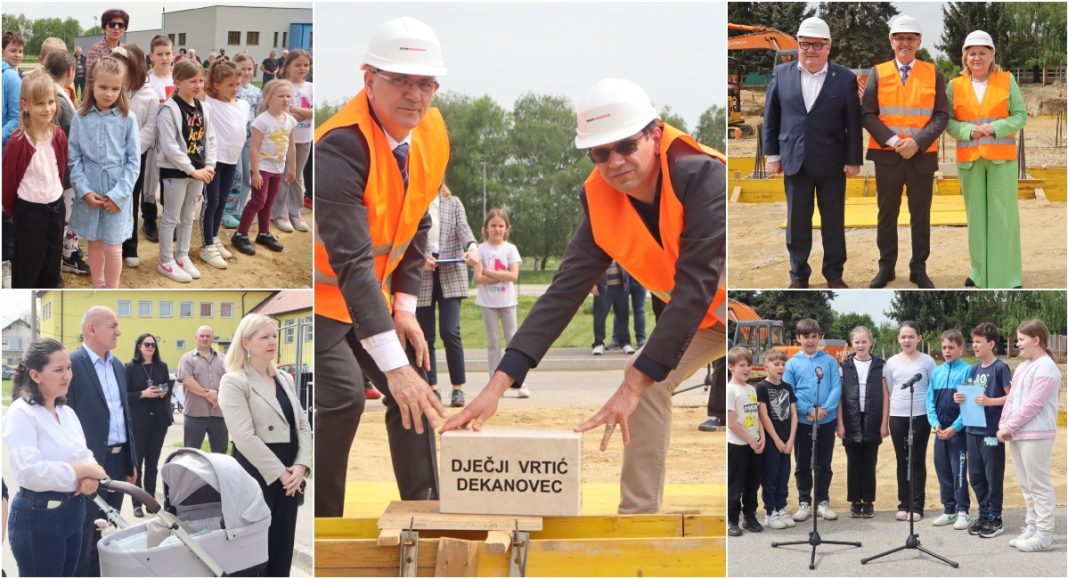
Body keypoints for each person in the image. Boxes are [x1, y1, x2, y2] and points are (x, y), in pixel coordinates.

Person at [444, 77, 727, 515]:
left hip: (745, 305)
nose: (614, 162)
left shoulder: (702, 174)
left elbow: (695, 285)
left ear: (654, 133)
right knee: (648, 379)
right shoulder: (600, 197)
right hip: (701, 317)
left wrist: (632, 382)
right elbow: (564, 292)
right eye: (600, 153)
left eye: (626, 146)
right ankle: (637, 517)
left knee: (640, 379)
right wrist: (497, 385)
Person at [315, 16, 450, 517]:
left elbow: (416, 220)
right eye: (400, 80)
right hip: (324, 302)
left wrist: (407, 304)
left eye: (426, 83)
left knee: (417, 389)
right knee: (344, 399)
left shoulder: (432, 132)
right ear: (368, 78)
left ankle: (426, 508)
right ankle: (324, 521)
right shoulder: (339, 147)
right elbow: (350, 263)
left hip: (371, 296)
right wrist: (395, 369)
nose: (414, 95)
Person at [763, 16, 861, 289]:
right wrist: (772, 156)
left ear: (828, 46)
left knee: (833, 222)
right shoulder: (782, 75)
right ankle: (798, 276)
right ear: (798, 45)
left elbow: (853, 122)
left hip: (832, 162)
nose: (811, 50)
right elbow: (771, 116)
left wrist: (853, 160)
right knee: (797, 224)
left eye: (817, 45)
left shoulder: (844, 79)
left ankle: (834, 274)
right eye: (805, 44)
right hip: (795, 161)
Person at [4, 338, 109, 577]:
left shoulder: (66, 412)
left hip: (73, 512)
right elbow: (31, 473)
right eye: (59, 370)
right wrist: (83, 471)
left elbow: (86, 455)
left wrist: (90, 477)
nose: (68, 375)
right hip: (39, 518)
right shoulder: (21, 413)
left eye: (69, 368)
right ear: (36, 375)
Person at [219, 314, 311, 576]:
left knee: (282, 546)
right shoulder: (235, 381)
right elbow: (243, 436)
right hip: (257, 472)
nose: (272, 341)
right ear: (246, 342)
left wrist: (301, 466)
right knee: (252, 552)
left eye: (274, 336)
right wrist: (282, 473)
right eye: (264, 337)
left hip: (291, 472)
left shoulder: (285, 378)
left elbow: (302, 425)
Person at [863, 15, 949, 289]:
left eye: (911, 38)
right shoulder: (878, 73)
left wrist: (916, 142)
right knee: (886, 214)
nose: (905, 43)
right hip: (888, 156)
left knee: (920, 214)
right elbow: (867, 114)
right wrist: (893, 141)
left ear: (919, 41)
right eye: (900, 38)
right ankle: (886, 267)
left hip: (921, 157)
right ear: (891, 41)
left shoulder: (933, 73)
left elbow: (941, 115)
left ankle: (918, 268)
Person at [945, 30, 1027, 289]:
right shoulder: (954, 85)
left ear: (992, 55)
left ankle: (1009, 277)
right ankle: (979, 274)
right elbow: (946, 120)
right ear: (964, 58)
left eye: (982, 52)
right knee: (976, 219)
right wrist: (967, 131)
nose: (977, 57)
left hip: (1001, 159)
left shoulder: (1006, 80)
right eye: (972, 53)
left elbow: (1020, 115)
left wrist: (995, 128)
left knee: (1004, 218)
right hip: (970, 159)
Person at [67, 306, 138, 577]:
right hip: (90, 462)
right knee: (84, 532)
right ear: (91, 329)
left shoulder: (118, 365)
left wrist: (131, 460)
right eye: (113, 326)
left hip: (118, 461)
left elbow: (125, 416)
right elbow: (65, 419)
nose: (119, 331)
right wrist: (79, 467)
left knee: (108, 530)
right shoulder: (73, 364)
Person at [68, 55, 140, 289]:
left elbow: (133, 161)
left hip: (117, 193)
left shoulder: (128, 119)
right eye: (103, 87)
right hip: (90, 193)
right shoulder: (80, 117)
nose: (109, 93)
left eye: (115, 88)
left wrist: (119, 195)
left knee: (113, 245)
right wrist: (84, 191)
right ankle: (97, 284)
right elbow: (75, 158)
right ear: (91, 85)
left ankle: (112, 288)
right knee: (95, 242)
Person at [998, 319, 1061, 552]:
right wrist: (1004, 424)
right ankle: (1033, 526)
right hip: (1018, 433)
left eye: (1021, 339)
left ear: (1036, 340)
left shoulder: (1047, 368)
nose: (1018, 343)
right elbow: (1013, 399)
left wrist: (1009, 426)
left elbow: (1033, 405)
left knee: (1039, 484)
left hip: (1036, 434)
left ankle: (1044, 535)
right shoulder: (1024, 366)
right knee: (1026, 485)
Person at [2, 73, 68, 289]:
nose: (47, 108)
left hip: (56, 209)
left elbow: (61, 168)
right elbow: (8, 183)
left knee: (51, 267)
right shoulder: (17, 142)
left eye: (50, 102)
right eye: (40, 103)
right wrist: (17, 214)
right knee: (27, 269)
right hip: (29, 214)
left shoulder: (59, 136)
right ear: (25, 105)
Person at [416, 182, 479, 407]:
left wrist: (472, 248)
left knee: (450, 331)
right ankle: (432, 387)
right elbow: (408, 237)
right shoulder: (414, 201)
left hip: (451, 272)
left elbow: (464, 230)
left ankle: (458, 388)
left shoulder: (453, 204)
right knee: (425, 336)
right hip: (422, 275)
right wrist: (419, 259)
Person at [156, 59, 216, 283]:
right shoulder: (168, 110)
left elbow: (210, 139)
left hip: (199, 172)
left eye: (201, 80)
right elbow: (170, 147)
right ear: (178, 82)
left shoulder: (205, 108)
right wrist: (192, 170)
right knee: (171, 218)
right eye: (193, 81)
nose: (199, 85)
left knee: (189, 216)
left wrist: (209, 165)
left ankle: (182, 255)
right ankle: (165, 260)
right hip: (176, 173)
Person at [955, 322, 1011, 538]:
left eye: (979, 342)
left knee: (992, 474)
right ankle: (984, 513)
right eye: (973, 342)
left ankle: (996, 516)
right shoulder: (973, 369)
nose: (975, 346)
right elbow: (970, 396)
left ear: (992, 343)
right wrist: (959, 397)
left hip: (990, 433)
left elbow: (1011, 397)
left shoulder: (1000, 368)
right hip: (972, 431)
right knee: (976, 475)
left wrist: (989, 401)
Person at [783, 317, 841, 522]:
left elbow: (836, 387)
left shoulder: (829, 361)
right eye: (806, 337)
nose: (810, 341)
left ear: (820, 337)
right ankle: (804, 502)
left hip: (826, 420)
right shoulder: (791, 364)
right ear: (798, 338)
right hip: (803, 421)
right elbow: (789, 391)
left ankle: (822, 501)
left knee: (824, 462)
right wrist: (808, 409)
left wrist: (824, 409)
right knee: (803, 463)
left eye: (814, 336)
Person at [231, 79, 296, 255]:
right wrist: (256, 172)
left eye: (288, 96)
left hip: (278, 167)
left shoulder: (290, 120)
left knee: (269, 202)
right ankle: (240, 234)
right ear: (268, 97)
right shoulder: (262, 121)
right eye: (280, 95)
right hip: (263, 166)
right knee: (258, 200)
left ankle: (264, 233)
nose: (285, 99)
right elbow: (253, 147)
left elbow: (291, 146)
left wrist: (292, 168)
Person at [473, 208, 529, 398]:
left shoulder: (510, 249)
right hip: (488, 302)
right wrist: (497, 275)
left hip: (507, 301)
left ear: (506, 228)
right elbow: (478, 278)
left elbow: (512, 275)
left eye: (501, 226)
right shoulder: (480, 249)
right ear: (486, 228)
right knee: (493, 342)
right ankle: (494, 384)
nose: (497, 229)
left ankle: (519, 382)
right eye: (493, 226)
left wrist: (489, 272)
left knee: (513, 341)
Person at [883, 320, 936, 521]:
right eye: (903, 337)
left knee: (917, 459)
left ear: (919, 338)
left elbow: (932, 388)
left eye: (911, 336)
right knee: (901, 460)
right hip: (898, 416)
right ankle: (903, 503)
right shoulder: (892, 362)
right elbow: (890, 388)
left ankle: (917, 505)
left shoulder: (927, 362)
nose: (907, 340)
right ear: (898, 339)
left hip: (920, 416)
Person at [114, 44, 159, 270]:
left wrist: (131, 152)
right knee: (113, 200)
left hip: (135, 159)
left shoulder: (150, 95)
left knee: (131, 200)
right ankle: (112, 244)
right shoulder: (115, 90)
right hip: (111, 158)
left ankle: (129, 246)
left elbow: (149, 130)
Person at [200, 60, 248, 269]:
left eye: (237, 84)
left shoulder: (243, 105)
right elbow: (197, 87)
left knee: (222, 201)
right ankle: (206, 245)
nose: (235, 89)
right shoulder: (208, 101)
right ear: (217, 84)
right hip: (213, 160)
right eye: (230, 84)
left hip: (232, 160)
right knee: (211, 201)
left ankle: (215, 236)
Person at [836, 325, 887, 519]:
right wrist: (840, 424)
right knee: (853, 463)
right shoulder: (845, 366)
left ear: (871, 343)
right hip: (851, 419)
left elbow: (885, 395)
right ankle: (855, 501)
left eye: (864, 341)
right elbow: (840, 397)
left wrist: (884, 423)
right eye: (857, 342)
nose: (860, 345)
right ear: (851, 344)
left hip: (873, 419)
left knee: (869, 462)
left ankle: (868, 500)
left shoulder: (880, 365)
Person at [926, 329, 974, 529]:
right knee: (943, 471)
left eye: (951, 347)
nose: (947, 351)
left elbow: (970, 404)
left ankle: (963, 511)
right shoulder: (937, 371)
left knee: (959, 471)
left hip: (958, 433)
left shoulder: (967, 370)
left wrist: (955, 427)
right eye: (944, 347)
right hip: (940, 432)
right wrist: (935, 424)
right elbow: (929, 401)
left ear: (960, 348)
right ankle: (949, 510)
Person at [124, 333, 172, 519]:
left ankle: (150, 501)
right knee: (137, 466)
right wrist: (143, 394)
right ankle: (137, 503)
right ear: (139, 346)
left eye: (153, 344)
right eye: (147, 344)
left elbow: (168, 387)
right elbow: (125, 396)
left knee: (152, 465)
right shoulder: (129, 368)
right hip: (138, 423)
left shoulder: (162, 366)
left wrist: (162, 392)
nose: (151, 347)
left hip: (158, 422)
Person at [271, 49, 313, 233]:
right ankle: (281, 213)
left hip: (305, 139)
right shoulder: (283, 86)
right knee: (285, 175)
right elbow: (284, 112)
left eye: (305, 65)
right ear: (288, 66)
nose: (302, 68)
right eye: (298, 65)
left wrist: (298, 111)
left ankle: (296, 212)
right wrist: (303, 113)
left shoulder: (312, 87)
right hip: (285, 138)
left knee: (298, 176)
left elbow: (313, 112)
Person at [756, 349, 797, 530]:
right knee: (770, 477)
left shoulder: (787, 387)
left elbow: (794, 415)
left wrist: (790, 440)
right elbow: (764, 416)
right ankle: (770, 511)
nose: (780, 367)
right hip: (773, 441)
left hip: (787, 441)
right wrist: (777, 440)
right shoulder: (761, 388)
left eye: (782, 364)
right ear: (766, 367)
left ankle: (781, 508)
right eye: (776, 364)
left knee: (784, 475)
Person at [142, 34, 176, 243]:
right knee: (150, 180)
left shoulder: (177, 79)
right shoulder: (147, 80)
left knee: (169, 180)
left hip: (172, 140)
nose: (164, 58)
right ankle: (148, 219)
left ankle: (168, 220)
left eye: (168, 53)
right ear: (151, 56)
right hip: (153, 140)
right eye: (160, 54)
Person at [725, 347, 763, 536]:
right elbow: (732, 423)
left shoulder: (751, 389)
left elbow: (756, 417)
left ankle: (750, 516)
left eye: (749, 365)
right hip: (737, 445)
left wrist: (760, 438)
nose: (747, 369)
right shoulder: (730, 391)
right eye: (741, 365)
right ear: (731, 367)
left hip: (754, 444)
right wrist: (750, 440)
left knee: (752, 483)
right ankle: (732, 519)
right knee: (735, 484)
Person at [221, 53, 261, 229]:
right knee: (235, 176)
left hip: (250, 138)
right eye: (242, 68)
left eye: (249, 68)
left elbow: (259, 114)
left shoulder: (256, 91)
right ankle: (226, 211)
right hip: (233, 138)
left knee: (246, 176)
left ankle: (238, 208)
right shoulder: (230, 91)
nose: (246, 72)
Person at [178, 326, 228, 453]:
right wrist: (210, 395)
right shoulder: (187, 358)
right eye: (202, 336)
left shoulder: (224, 359)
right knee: (191, 454)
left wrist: (218, 394)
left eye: (208, 336)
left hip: (219, 414)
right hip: (195, 415)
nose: (205, 338)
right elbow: (187, 381)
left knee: (220, 454)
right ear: (196, 338)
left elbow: (229, 382)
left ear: (213, 338)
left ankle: (217, 474)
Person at [591, 262, 635, 356]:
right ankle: (598, 343)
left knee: (623, 315)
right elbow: (590, 265)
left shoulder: (620, 248)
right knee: (600, 317)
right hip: (602, 288)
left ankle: (625, 343)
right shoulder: (598, 249)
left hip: (621, 287)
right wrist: (592, 284)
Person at [86, 9, 128, 73]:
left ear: (125, 29)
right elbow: (92, 78)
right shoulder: (95, 50)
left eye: (121, 25)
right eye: (112, 24)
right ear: (104, 28)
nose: (116, 27)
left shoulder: (127, 50)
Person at [2, 30, 25, 146]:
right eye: (13, 51)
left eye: (20, 51)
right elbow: (17, 118)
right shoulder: (10, 76)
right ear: (2, 51)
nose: (18, 55)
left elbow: (16, 118)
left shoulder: (15, 75)